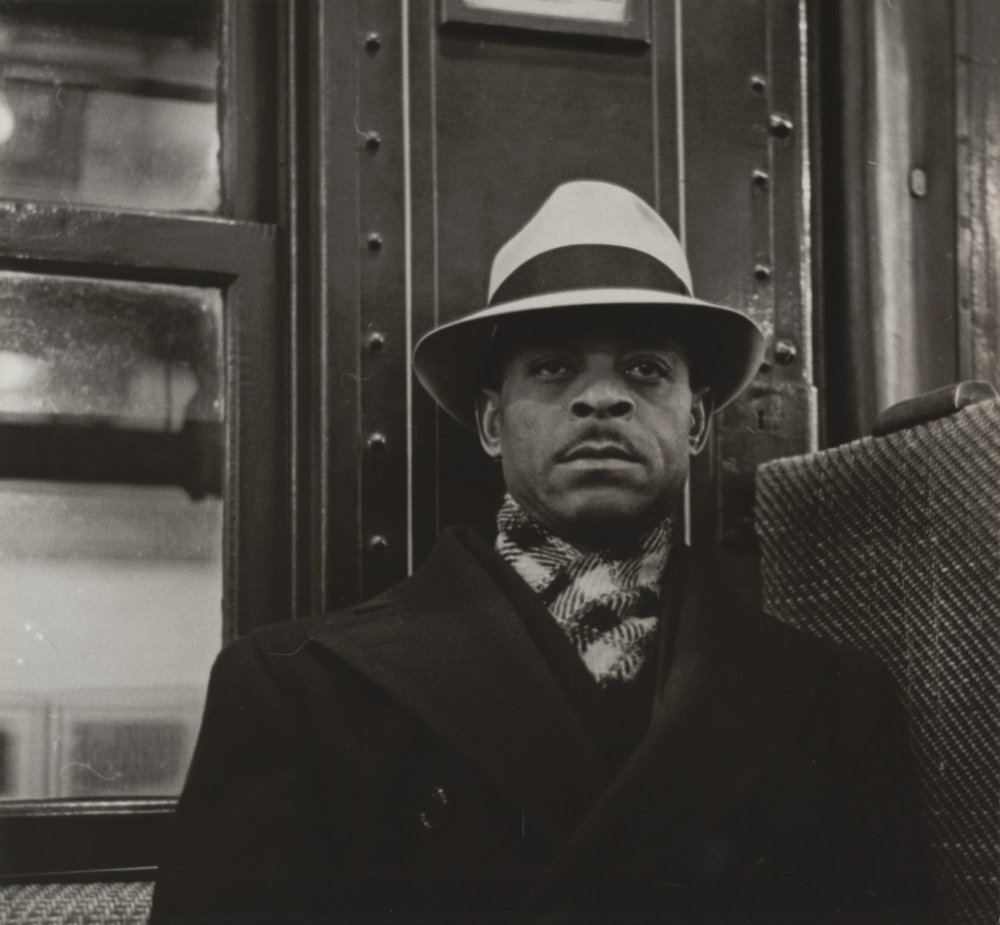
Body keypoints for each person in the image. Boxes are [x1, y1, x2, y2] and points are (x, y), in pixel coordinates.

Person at [151, 181, 933, 924]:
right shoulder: (299, 689)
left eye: (646, 368)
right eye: (554, 367)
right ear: (492, 424)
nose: (602, 397)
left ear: (695, 424)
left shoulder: (832, 699)